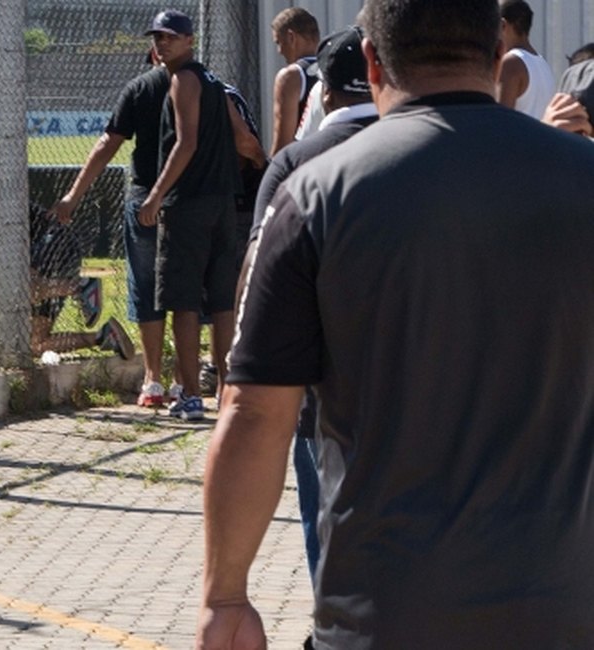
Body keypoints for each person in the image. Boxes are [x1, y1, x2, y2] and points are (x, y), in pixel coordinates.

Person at [199, 0, 594, 647]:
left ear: (373, 64)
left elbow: (254, 415)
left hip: (384, 616)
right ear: (500, 56)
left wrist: (226, 596)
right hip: (566, 613)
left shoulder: (314, 197)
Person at [51, 48, 264, 408]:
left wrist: (73, 196)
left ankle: (153, 379)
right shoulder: (213, 87)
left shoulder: (140, 88)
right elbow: (243, 139)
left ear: (153, 54)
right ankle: (188, 382)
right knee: (200, 294)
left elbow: (108, 143)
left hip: (150, 197)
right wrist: (265, 164)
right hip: (202, 200)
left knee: (152, 288)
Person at [247, 24, 379, 587]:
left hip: (317, 394)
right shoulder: (434, 152)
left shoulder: (297, 164)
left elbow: (257, 287)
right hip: (414, 390)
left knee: (324, 527)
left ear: (324, 91)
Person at [139, 9, 237, 421]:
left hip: (189, 203)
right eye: (158, 37)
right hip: (223, 203)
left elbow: (186, 142)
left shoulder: (182, 80)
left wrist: (156, 195)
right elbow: (243, 136)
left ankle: (192, 395)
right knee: (222, 302)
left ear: (189, 40)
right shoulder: (215, 81)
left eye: (170, 37)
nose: (162, 44)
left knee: (182, 300)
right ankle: (229, 392)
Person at [0, 171, 134, 360]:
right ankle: (103, 336)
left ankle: (79, 287)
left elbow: (13, 241)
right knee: (34, 344)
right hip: (36, 259)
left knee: (18, 290)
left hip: (53, 242)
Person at [268, 7, 321, 155]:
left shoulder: (292, 76)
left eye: (279, 42)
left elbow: (283, 145)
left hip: (305, 168)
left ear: (291, 37)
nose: (279, 51)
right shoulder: (335, 69)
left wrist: (271, 174)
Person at [497, 0, 555, 118]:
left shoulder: (511, 62)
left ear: (503, 25)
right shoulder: (543, 64)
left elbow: (500, 119)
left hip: (516, 137)